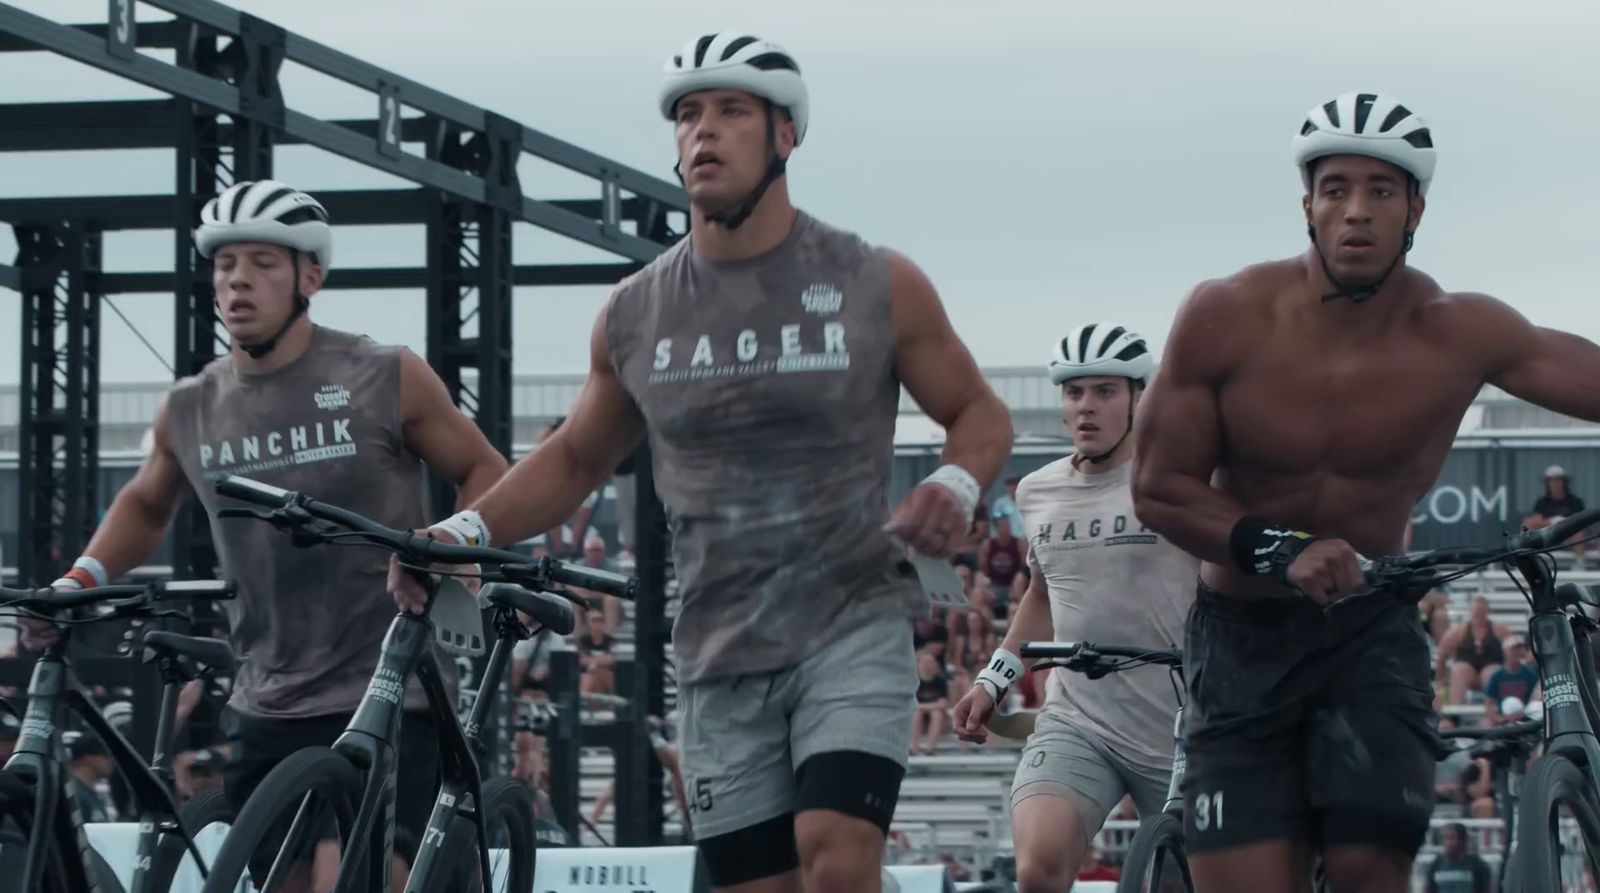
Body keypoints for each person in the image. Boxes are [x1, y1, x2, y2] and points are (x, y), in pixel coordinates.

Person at [388, 30, 1012, 893]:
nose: (702, 132)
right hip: (719, 651)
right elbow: (574, 456)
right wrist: (463, 527)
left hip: (851, 625)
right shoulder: (636, 312)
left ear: (785, 135)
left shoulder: (875, 281)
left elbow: (978, 411)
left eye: (729, 111)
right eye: (687, 114)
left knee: (836, 854)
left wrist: (955, 478)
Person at [1131, 90, 1600, 892]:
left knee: (1366, 872)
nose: (1356, 211)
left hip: (1371, 637)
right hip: (1243, 643)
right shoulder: (1224, 315)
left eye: (1381, 191)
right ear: (1307, 204)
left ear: (1416, 208)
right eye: (1336, 188)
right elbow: (1159, 489)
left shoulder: (1462, 331)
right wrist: (1284, 549)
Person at [19, 179, 509, 890]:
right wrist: (79, 578)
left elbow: (483, 467)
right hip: (267, 695)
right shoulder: (192, 405)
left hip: (390, 685)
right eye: (224, 265)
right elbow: (146, 503)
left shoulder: (382, 374)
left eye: (262, 262)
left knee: (358, 876)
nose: (238, 280)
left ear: (310, 275)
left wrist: (452, 540)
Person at [952, 323, 1197, 892]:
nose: (1086, 406)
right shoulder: (1037, 491)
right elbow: (1043, 594)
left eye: (1105, 392)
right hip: (1080, 719)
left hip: (1184, 727)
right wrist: (993, 681)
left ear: (1140, 399)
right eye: (1074, 391)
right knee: (1037, 868)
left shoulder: (1177, 481)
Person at [1524, 464, 1590, 569]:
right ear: (1547, 483)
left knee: (1579, 533)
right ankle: (1526, 560)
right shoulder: (1542, 503)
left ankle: (1580, 564)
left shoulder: (1575, 502)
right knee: (1527, 524)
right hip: (1548, 536)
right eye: (1552, 481)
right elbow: (1534, 522)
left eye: (1559, 480)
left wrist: (1564, 523)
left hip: (1569, 538)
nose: (1556, 484)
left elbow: (1581, 522)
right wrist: (1551, 521)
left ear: (1564, 482)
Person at [1424, 823, 1491, 893]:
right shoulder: (1436, 864)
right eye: (1445, 838)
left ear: (1463, 841)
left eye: (1451, 838)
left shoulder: (1478, 866)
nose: (1447, 843)